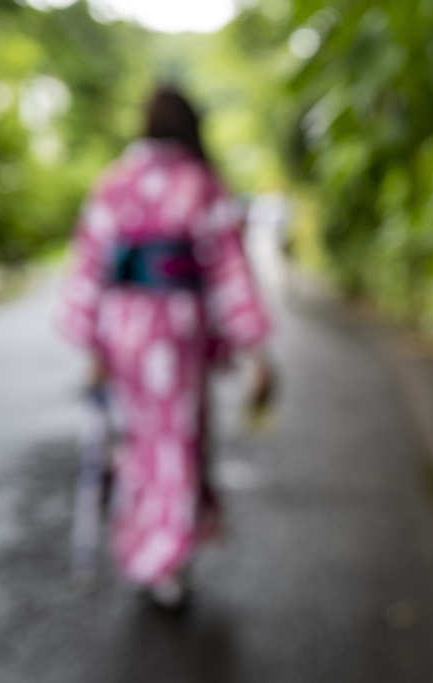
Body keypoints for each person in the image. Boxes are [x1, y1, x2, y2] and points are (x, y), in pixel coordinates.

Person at [58, 86, 271, 609]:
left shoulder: (113, 181)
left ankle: (146, 547)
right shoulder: (200, 183)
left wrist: (93, 349)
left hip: (123, 329)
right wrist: (253, 351)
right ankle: (165, 558)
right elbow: (228, 269)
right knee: (177, 442)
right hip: (177, 334)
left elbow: (90, 264)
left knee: (139, 441)